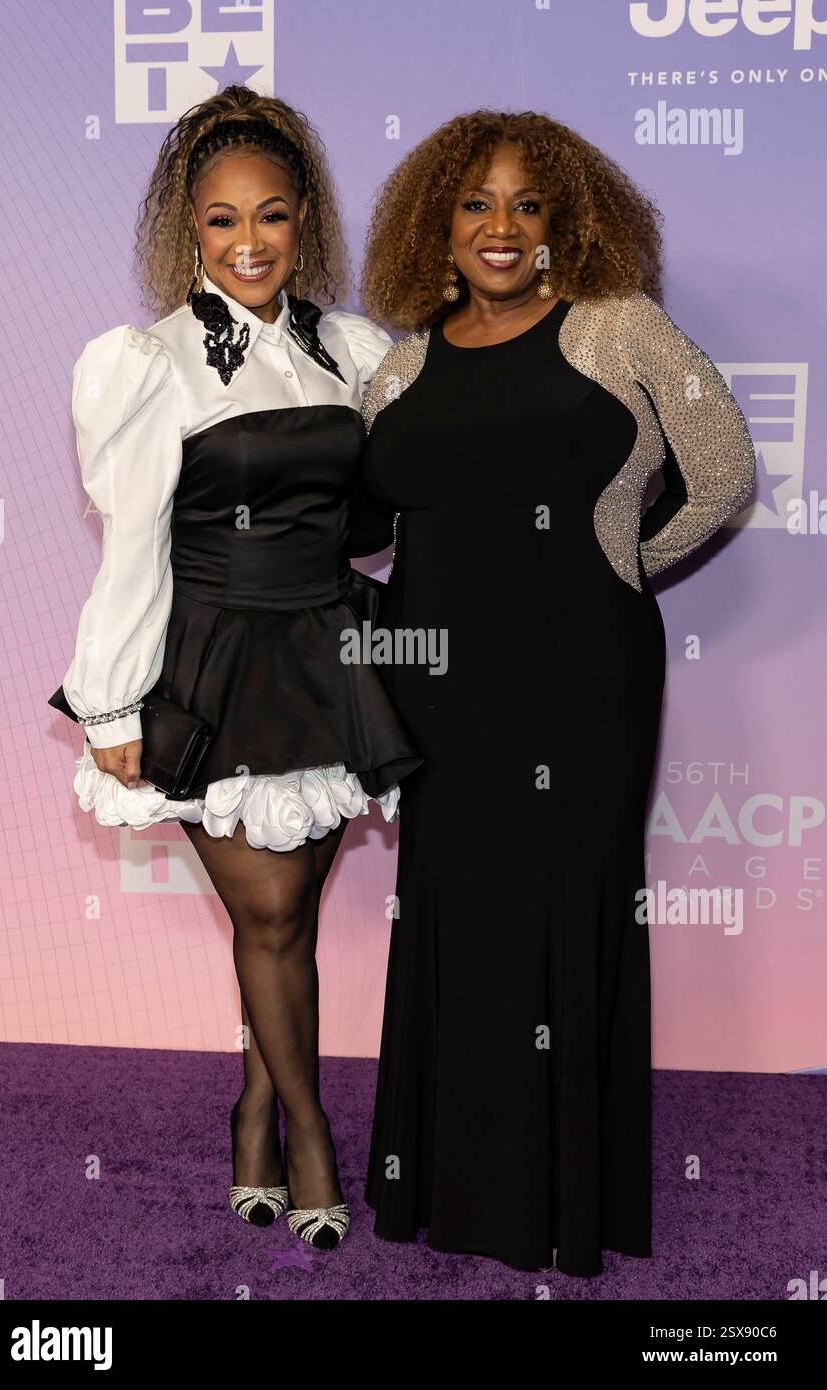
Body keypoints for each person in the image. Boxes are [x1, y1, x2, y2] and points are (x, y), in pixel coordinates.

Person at [349, 109, 756, 1277]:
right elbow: (367, 522)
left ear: (564, 219)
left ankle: (561, 1203)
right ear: (438, 219)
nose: (499, 226)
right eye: (475, 202)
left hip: (579, 682)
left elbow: (721, 465)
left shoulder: (618, 327)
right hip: (439, 693)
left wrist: (621, 561)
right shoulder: (401, 361)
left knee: (560, 915)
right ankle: (443, 1190)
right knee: (452, 915)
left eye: (526, 204)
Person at [48, 85, 420, 1251]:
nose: (247, 243)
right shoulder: (146, 364)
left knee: (290, 916)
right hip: (209, 658)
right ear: (189, 231)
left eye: (268, 216)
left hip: (329, 649)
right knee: (266, 917)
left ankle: (253, 1106)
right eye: (220, 221)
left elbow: (380, 513)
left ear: (302, 219)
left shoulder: (351, 348)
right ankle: (308, 1136)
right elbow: (136, 541)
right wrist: (109, 696)